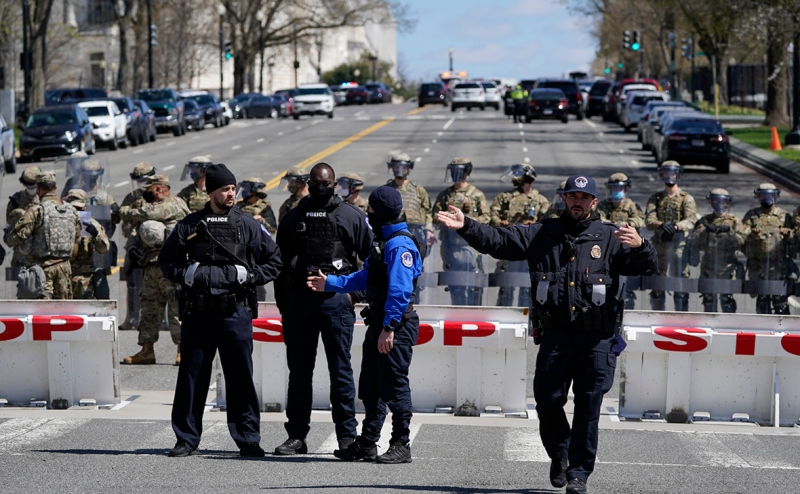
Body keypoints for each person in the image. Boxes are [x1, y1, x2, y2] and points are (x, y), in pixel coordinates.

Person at [436, 174, 657, 494]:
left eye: (584, 197)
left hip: (597, 339)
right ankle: (562, 453)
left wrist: (642, 246)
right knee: (547, 401)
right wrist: (467, 225)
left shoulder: (609, 236)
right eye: (572, 196)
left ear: (594, 202)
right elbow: (499, 241)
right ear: (564, 199)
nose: (577, 202)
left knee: (588, 407)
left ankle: (579, 474)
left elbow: (644, 267)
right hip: (556, 336)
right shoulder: (543, 232)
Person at [159, 164, 282, 458]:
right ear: (210, 191)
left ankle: (248, 439)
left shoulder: (247, 224)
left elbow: (274, 260)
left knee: (240, 377)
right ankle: (186, 438)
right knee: (192, 376)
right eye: (225, 189)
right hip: (198, 313)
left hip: (235, 313)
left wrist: (251, 276)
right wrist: (187, 274)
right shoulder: (190, 225)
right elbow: (168, 261)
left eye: (233, 188)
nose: (231, 193)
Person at [307, 186, 422, 464]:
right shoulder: (383, 242)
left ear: (378, 212)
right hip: (380, 323)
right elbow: (365, 278)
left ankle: (401, 444)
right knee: (370, 387)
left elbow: (400, 291)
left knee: (395, 387)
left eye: (370, 209)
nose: (367, 214)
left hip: (394, 326)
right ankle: (368, 442)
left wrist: (389, 327)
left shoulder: (399, 245)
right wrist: (331, 283)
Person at [273, 162, 373, 456]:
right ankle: (297, 436)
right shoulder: (293, 217)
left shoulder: (351, 216)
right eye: (316, 184)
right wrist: (286, 307)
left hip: (336, 303)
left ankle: (346, 436)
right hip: (300, 304)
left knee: (340, 370)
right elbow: (279, 266)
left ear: (334, 186)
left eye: (326, 185)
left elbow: (372, 262)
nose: (321, 189)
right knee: (300, 372)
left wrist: (354, 296)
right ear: (309, 183)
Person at [120, 175, 190, 365]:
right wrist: (132, 249)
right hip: (151, 264)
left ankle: (182, 349)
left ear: (159, 189)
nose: (146, 193)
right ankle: (146, 350)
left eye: (149, 189)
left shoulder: (173, 203)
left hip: (172, 265)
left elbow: (144, 215)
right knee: (149, 308)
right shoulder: (155, 207)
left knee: (176, 310)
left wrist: (126, 210)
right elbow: (140, 228)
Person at [8, 172, 82, 299]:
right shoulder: (72, 211)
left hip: (42, 271)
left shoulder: (37, 211)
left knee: (42, 312)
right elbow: (77, 238)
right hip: (64, 269)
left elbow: (15, 238)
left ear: (38, 189)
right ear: (56, 187)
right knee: (63, 311)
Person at [431, 157, 490, 305]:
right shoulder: (445, 195)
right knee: (455, 285)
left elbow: (487, 218)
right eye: (453, 171)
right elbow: (434, 216)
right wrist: (445, 218)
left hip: (471, 246)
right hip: (451, 248)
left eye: (458, 171)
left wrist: (466, 221)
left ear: (466, 173)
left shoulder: (476, 195)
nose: (454, 174)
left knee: (474, 284)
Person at [490, 164, 550, 307]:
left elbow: (548, 222)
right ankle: (503, 317)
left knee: (527, 288)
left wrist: (534, 225)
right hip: (508, 248)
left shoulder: (540, 200)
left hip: (530, 251)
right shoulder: (505, 198)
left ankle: (528, 321)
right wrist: (500, 222)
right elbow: (492, 215)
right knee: (505, 286)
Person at [644, 161, 697, 311]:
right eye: (666, 173)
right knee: (657, 287)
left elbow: (691, 220)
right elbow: (649, 220)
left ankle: (681, 320)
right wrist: (661, 224)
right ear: (662, 175)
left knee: (680, 287)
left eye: (672, 173)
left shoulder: (686, 198)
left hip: (679, 247)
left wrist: (676, 226)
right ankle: (656, 319)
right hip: (659, 246)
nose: (669, 176)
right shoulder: (656, 198)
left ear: (678, 175)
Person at [687, 189, 746, 313]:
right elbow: (694, 241)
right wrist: (705, 232)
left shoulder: (734, 221)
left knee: (727, 299)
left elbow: (742, 242)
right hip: (709, 265)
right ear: (711, 202)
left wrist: (730, 232)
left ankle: (729, 328)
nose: (719, 204)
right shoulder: (705, 221)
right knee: (709, 299)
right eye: (715, 200)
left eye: (722, 201)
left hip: (728, 265)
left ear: (727, 203)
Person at [742, 183, 793, 314]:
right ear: (758, 197)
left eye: (770, 195)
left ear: (775, 197)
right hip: (758, 265)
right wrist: (752, 234)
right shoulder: (751, 215)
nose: (766, 198)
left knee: (780, 300)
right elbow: (742, 235)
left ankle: (784, 331)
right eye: (763, 195)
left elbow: (794, 238)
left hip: (778, 265)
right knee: (762, 300)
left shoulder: (784, 216)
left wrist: (788, 233)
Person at [596, 173, 645, 309]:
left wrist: (617, 225)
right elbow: (599, 220)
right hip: (607, 250)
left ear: (625, 189)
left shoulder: (632, 206)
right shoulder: (603, 205)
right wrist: (619, 225)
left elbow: (638, 221)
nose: (617, 191)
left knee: (627, 285)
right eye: (614, 188)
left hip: (627, 250)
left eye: (620, 188)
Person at [119, 162, 157, 331]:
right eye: (138, 180)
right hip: (134, 244)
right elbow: (122, 211)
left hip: (153, 245)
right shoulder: (132, 197)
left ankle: (158, 319)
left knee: (157, 281)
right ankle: (132, 318)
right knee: (132, 282)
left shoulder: (158, 195)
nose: (141, 183)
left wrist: (137, 214)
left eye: (144, 180)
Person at [65, 189, 111, 299]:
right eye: (73, 208)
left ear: (84, 206)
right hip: (65, 273)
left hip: (85, 277)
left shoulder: (92, 223)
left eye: (78, 208)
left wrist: (96, 235)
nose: (76, 211)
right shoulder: (61, 223)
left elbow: (104, 249)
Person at [5, 165, 41, 270]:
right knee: (19, 283)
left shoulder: (45, 198)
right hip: (21, 255)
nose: (32, 190)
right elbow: (9, 223)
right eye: (29, 186)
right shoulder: (16, 199)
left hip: (40, 254)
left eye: (34, 186)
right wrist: (19, 213)